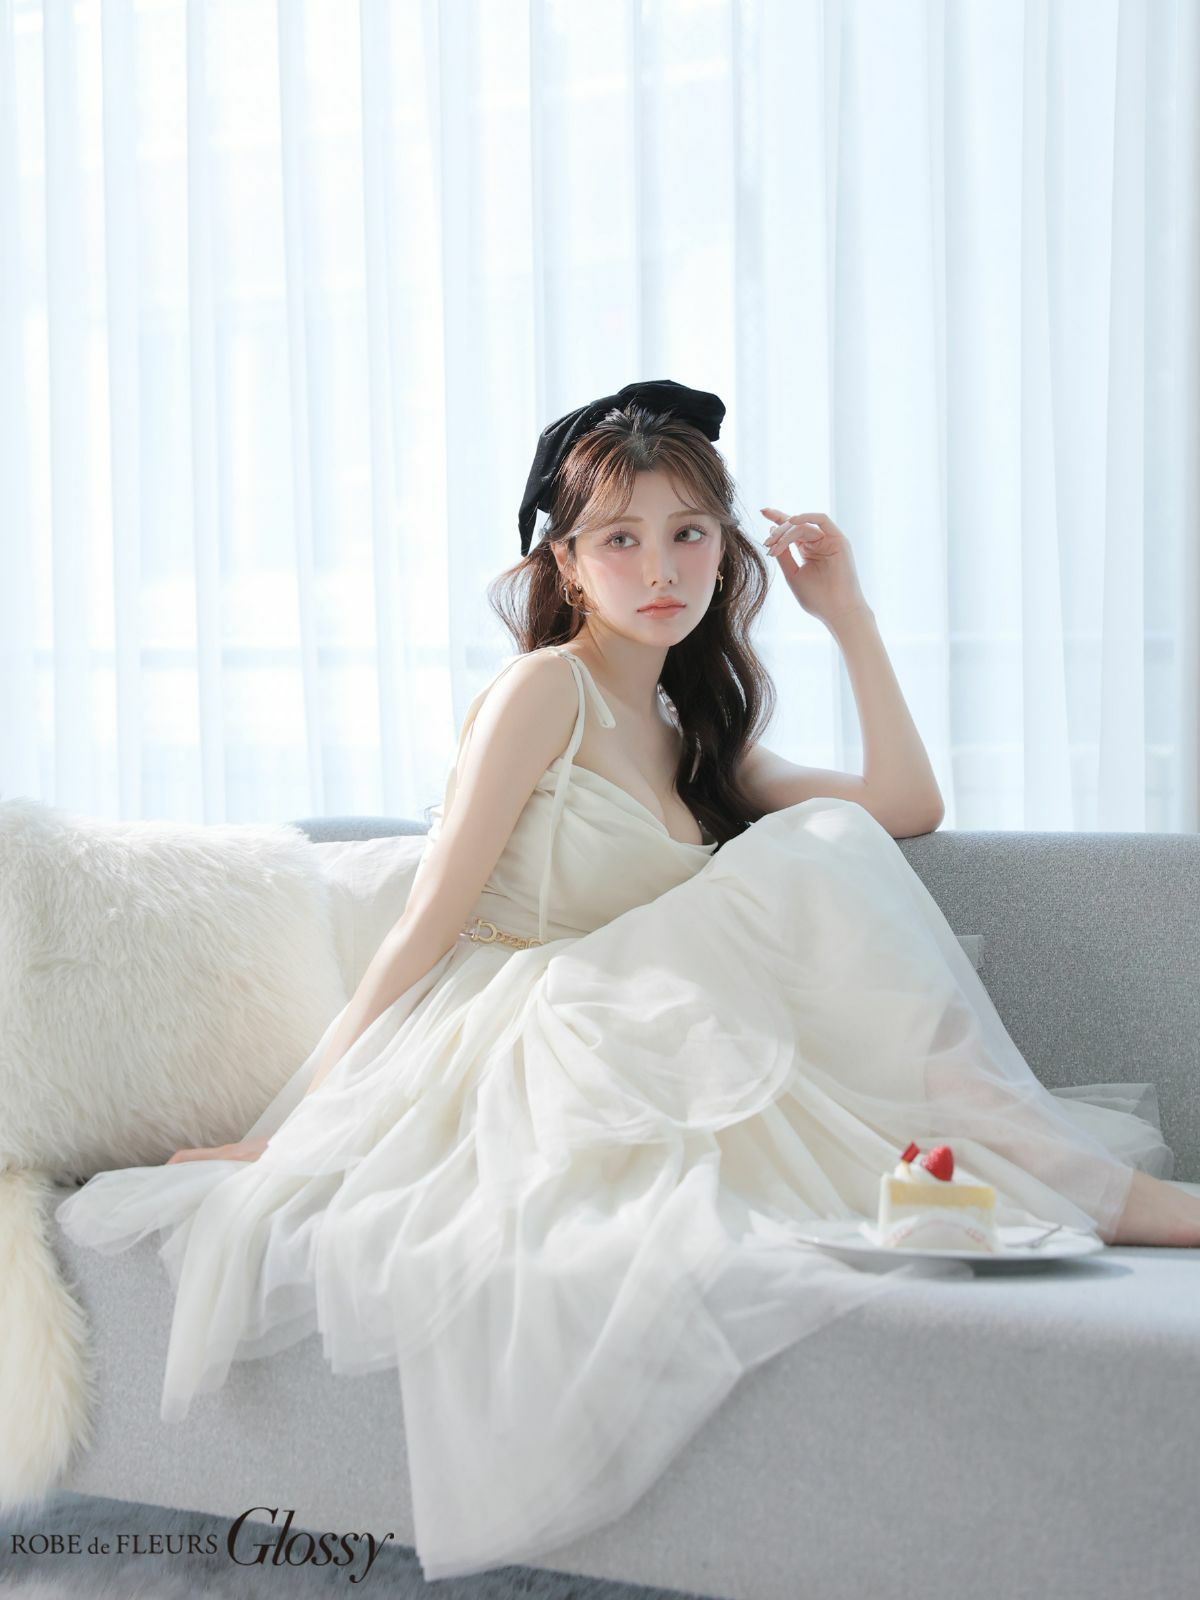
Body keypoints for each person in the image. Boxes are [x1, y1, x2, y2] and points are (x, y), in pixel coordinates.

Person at [56, 380, 1192, 1581]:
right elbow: (430, 921)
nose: (660, 568)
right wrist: (289, 1130)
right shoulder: (544, 689)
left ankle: (1064, 1176)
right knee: (809, 856)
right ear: (567, 563)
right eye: (620, 539)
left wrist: (848, 615)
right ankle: (1098, 1190)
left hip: (644, 1037)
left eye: (689, 533)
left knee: (827, 845)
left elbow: (906, 805)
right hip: (526, 1039)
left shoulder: (691, 730)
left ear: (726, 550)